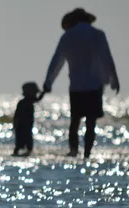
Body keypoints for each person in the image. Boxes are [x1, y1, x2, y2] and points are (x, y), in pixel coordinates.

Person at [42, 8, 120, 159]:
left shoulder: (68, 37)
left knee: (75, 121)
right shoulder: (98, 35)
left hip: (76, 86)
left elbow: (56, 62)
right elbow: (107, 58)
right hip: (94, 86)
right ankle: (87, 153)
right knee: (91, 123)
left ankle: (73, 151)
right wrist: (114, 80)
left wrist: (48, 83)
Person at [12, 82, 44, 156]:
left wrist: (44, 92)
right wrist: (15, 124)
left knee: (27, 143)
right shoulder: (22, 103)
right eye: (35, 93)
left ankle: (24, 153)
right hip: (21, 127)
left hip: (28, 127)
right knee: (20, 143)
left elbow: (38, 99)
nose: (36, 95)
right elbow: (16, 116)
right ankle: (17, 153)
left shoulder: (29, 102)